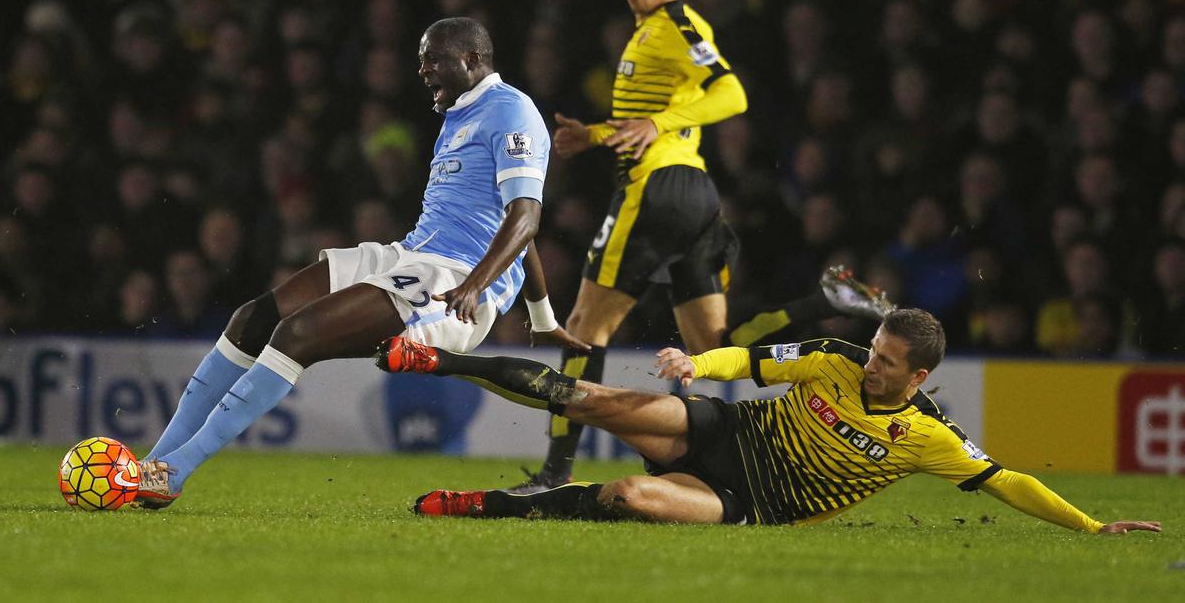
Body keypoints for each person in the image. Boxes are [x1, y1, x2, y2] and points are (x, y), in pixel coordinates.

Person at [136, 17, 586, 508]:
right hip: (410, 256)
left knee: (297, 334)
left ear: (472, 59)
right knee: (253, 319)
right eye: (421, 60)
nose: (423, 70)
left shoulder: (512, 111)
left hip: (452, 282)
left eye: (433, 59)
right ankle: (149, 464)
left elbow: (525, 219)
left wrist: (477, 285)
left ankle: (172, 473)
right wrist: (543, 318)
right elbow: (511, 225)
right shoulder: (459, 115)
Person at [376, 309, 1159, 534]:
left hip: (751, 501)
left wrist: (1090, 527)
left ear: (918, 378)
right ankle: (433, 358)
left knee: (627, 498)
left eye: (887, 363)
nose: (870, 366)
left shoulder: (928, 437)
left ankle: (487, 506)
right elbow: (748, 361)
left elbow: (1005, 480)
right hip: (723, 432)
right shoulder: (832, 358)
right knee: (590, 400)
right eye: (873, 351)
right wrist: (695, 363)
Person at [523, 0, 749, 492]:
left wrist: (656, 122)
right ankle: (815, 311)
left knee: (583, 328)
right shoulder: (651, 32)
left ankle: (555, 471)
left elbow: (731, 94)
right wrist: (596, 135)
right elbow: (652, 119)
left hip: (656, 189)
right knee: (712, 347)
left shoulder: (677, 26)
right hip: (695, 195)